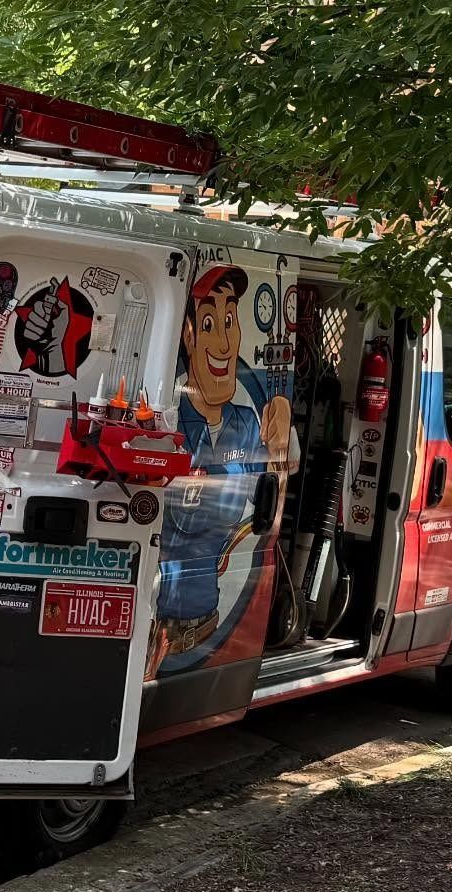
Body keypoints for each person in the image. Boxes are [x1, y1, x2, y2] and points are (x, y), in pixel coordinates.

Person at [156, 265, 291, 656]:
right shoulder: (169, 416)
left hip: (205, 621)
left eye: (230, 321)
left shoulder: (247, 421)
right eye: (210, 323)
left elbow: (261, 506)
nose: (222, 342)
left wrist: (278, 453)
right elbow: (189, 515)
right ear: (189, 335)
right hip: (159, 621)